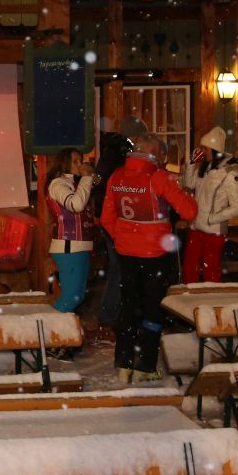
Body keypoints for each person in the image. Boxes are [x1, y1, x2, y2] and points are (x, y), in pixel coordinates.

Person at [100, 133, 197, 380]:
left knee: (129, 306)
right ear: (155, 153)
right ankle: (145, 366)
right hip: (155, 254)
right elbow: (189, 211)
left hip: (126, 253)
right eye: (163, 155)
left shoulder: (117, 176)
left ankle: (124, 363)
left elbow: (106, 218)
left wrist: (123, 237)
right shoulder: (159, 177)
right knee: (153, 309)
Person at [181, 127, 238, 284]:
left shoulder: (229, 174)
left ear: (215, 150)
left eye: (205, 148)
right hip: (196, 226)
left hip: (214, 230)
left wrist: (213, 218)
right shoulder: (206, 167)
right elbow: (189, 184)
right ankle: (189, 295)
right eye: (202, 148)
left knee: (211, 269)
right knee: (189, 267)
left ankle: (211, 296)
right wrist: (191, 163)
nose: (202, 151)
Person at [45, 148, 97, 314]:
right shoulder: (58, 184)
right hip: (68, 246)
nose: (80, 165)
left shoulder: (74, 183)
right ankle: (49, 325)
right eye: (75, 161)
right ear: (64, 163)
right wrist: (87, 178)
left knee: (78, 296)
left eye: (81, 161)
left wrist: (89, 177)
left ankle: (59, 326)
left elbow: (98, 185)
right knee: (71, 297)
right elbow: (76, 205)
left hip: (79, 246)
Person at [91, 128, 134, 327]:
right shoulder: (117, 156)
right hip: (115, 219)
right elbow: (100, 182)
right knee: (118, 267)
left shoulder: (107, 156)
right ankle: (109, 312)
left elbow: (97, 181)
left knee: (117, 266)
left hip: (108, 216)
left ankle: (112, 311)